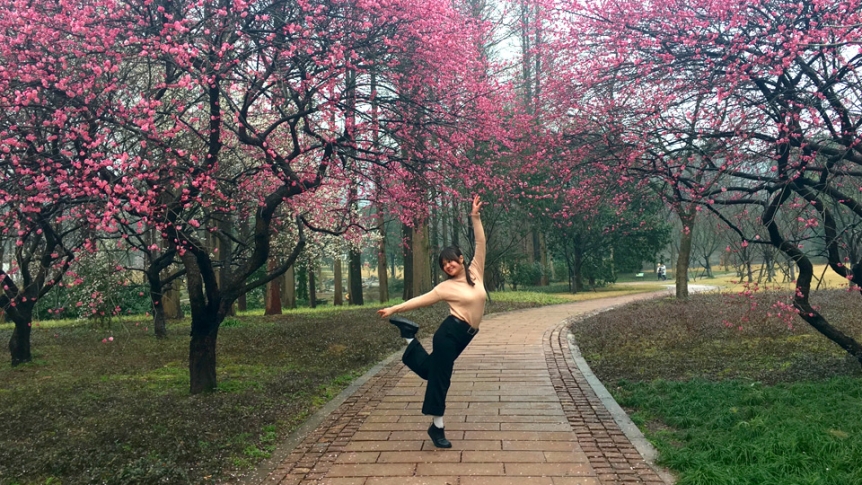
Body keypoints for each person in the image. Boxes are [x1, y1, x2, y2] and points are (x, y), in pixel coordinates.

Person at [378, 195, 486, 449]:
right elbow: (419, 300)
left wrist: (475, 217)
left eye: (451, 259)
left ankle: (408, 336)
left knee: (430, 371)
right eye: (443, 263)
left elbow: (481, 242)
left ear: (461, 258)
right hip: (449, 333)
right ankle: (437, 427)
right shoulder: (444, 287)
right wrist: (394, 307)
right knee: (441, 377)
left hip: (466, 336)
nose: (448, 265)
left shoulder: (475, 271)